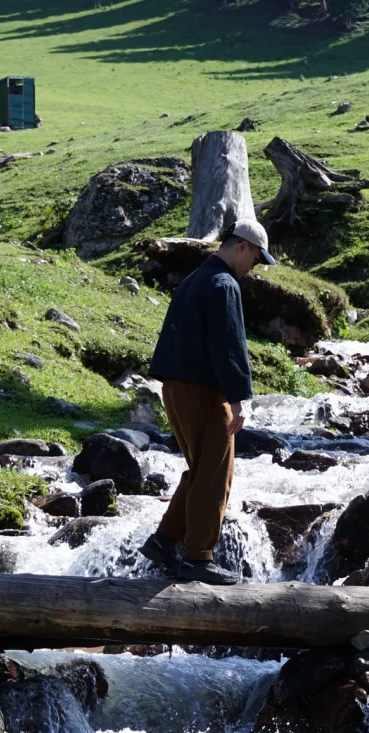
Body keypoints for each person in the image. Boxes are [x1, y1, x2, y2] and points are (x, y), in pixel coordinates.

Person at [141, 217, 275, 584]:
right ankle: (198, 557)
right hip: (202, 391)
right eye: (256, 259)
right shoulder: (223, 284)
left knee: (202, 469)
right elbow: (229, 345)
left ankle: (165, 540)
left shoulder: (194, 280)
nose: (254, 268)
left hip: (176, 388)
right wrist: (238, 399)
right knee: (216, 474)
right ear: (242, 247)